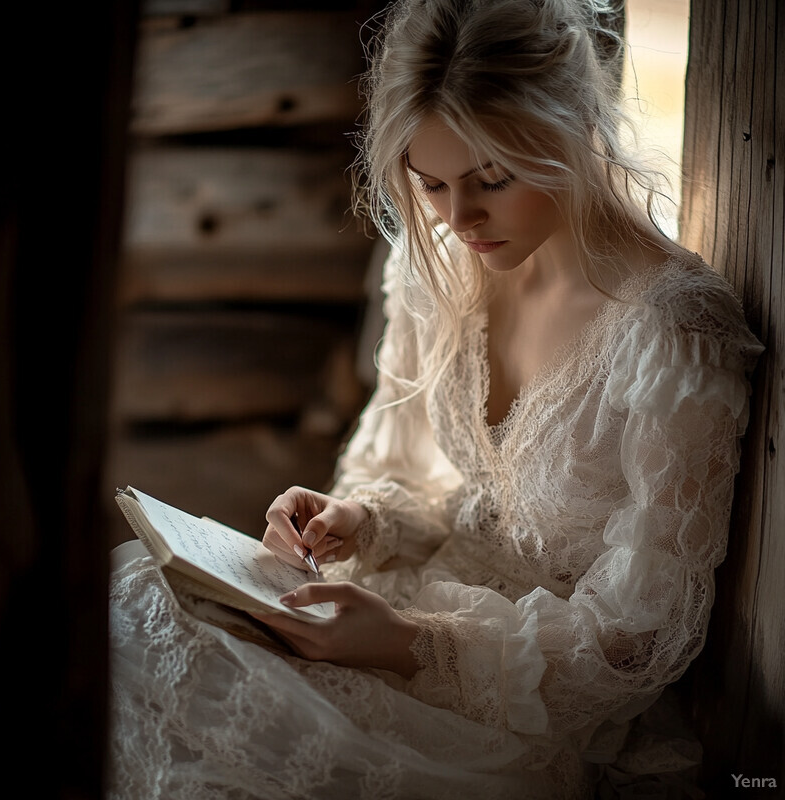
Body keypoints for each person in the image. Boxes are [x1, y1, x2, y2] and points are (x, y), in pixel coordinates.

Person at [108, 1, 764, 797]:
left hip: (524, 709)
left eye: (493, 179)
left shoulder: (674, 332)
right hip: (392, 619)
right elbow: (450, 496)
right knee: (135, 596)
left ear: (574, 129)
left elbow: (640, 639)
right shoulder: (440, 270)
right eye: (432, 183)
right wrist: (361, 521)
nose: (459, 217)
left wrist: (413, 644)